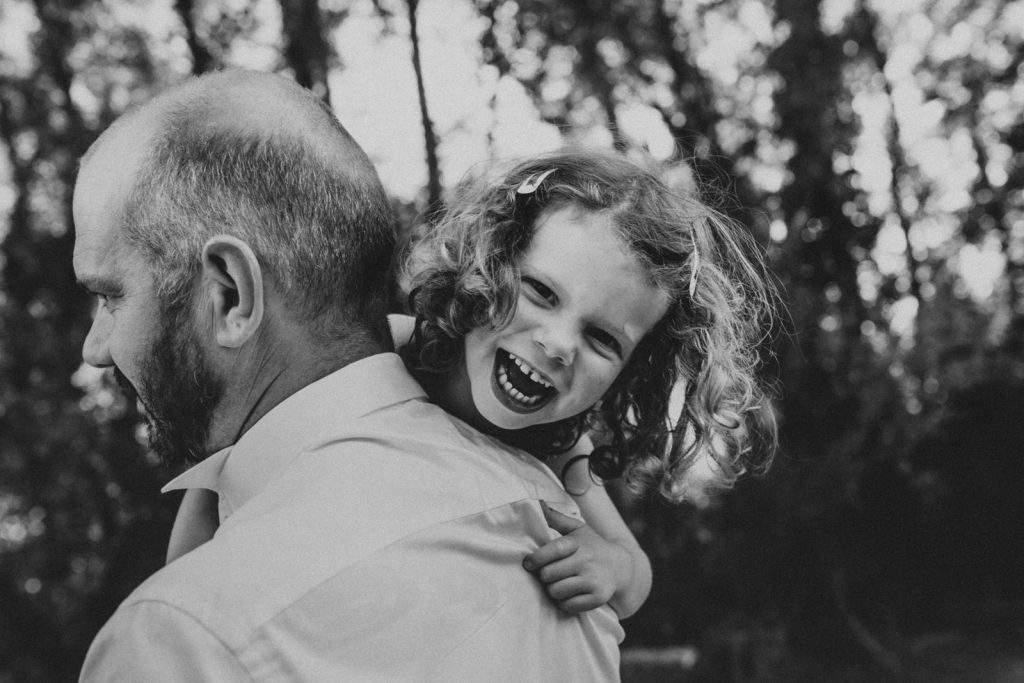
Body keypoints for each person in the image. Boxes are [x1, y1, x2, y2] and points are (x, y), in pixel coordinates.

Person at [74, 69, 622, 681]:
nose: (96, 348)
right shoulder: (536, 510)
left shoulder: (181, 638)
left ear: (231, 295)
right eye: (541, 296)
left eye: (111, 295)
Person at [168, 150, 780, 622]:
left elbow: (635, 570)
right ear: (489, 263)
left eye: (602, 339)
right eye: (541, 292)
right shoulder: (384, 351)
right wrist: (189, 588)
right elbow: (229, 466)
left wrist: (611, 565)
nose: (559, 343)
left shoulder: (562, 445)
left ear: (632, 370)